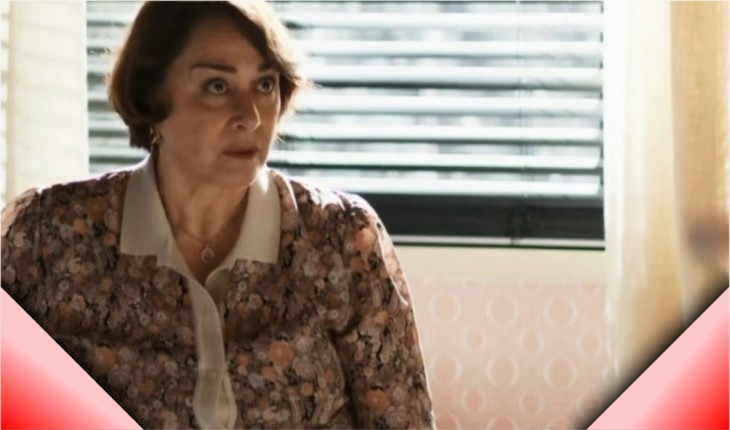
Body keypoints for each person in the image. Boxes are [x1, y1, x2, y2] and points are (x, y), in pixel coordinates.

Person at [0, 1, 434, 428]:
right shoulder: (44, 236)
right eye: (218, 86)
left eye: (265, 85)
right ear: (151, 93)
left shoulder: (342, 238)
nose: (251, 117)